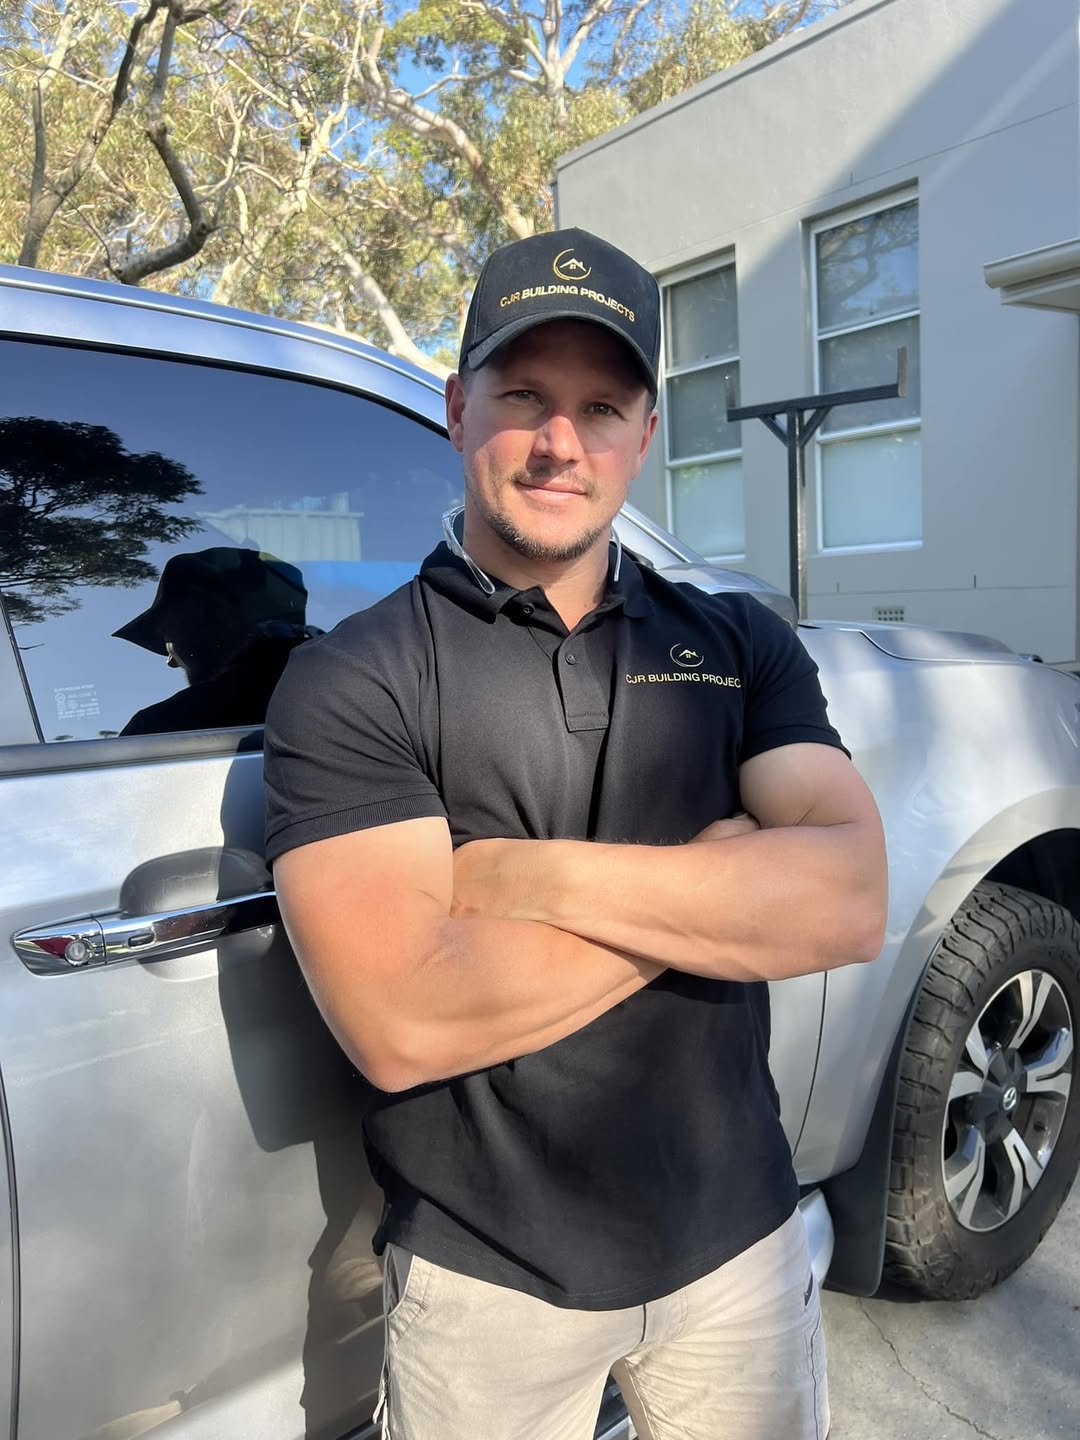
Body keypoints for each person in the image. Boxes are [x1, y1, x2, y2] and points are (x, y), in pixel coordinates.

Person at [263, 226, 888, 1440]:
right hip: (487, 1286)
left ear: (645, 435)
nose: (563, 441)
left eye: (603, 405)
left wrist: (521, 878)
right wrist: (723, 889)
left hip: (740, 1245)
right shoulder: (357, 680)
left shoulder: (737, 640)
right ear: (456, 409)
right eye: (525, 396)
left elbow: (849, 899)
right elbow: (402, 1021)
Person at [114, 546, 320, 735]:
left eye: (168, 634)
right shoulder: (340, 693)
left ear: (207, 613)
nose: (171, 661)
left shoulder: (156, 729)